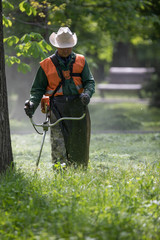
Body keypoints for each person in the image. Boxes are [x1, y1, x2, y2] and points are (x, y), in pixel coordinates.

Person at [24, 27, 95, 168]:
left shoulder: (81, 61)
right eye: (63, 48)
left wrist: (87, 94)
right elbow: (37, 89)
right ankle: (60, 172)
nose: (65, 50)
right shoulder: (46, 65)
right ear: (56, 46)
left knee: (79, 140)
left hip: (78, 105)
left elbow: (89, 82)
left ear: (72, 46)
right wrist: (32, 104)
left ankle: (79, 170)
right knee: (58, 142)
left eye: (68, 47)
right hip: (56, 107)